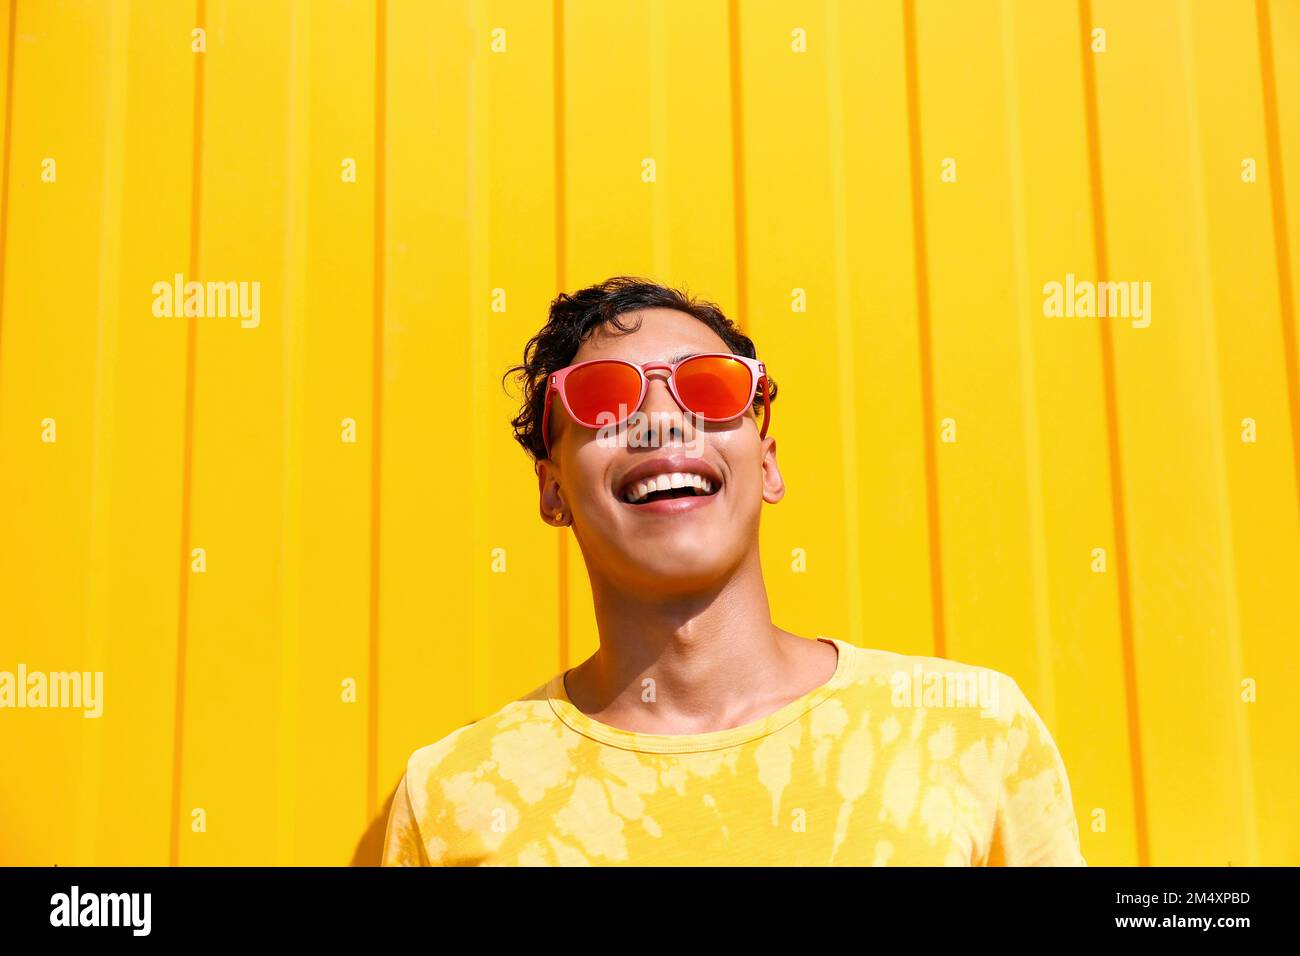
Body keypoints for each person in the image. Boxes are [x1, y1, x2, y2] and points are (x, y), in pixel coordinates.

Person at [382, 276, 1087, 866]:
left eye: (708, 388)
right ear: (553, 490)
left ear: (768, 464)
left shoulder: (972, 728)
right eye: (601, 397)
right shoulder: (453, 793)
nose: (661, 422)